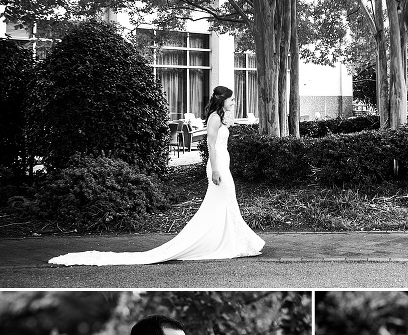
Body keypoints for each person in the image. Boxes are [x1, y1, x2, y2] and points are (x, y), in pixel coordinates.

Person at [48, 86, 264, 265]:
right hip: (218, 166)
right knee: (223, 201)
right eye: (232, 99)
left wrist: (229, 117)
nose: (234, 102)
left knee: (226, 203)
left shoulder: (221, 116)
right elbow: (210, 144)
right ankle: (220, 242)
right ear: (222, 100)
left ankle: (229, 240)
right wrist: (215, 169)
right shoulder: (215, 118)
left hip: (223, 162)